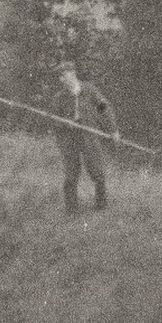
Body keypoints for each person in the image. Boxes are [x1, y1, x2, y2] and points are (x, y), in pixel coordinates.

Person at [51, 61, 120, 214]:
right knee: (71, 173)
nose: (61, 80)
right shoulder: (60, 97)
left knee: (97, 170)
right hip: (69, 138)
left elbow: (104, 108)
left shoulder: (90, 91)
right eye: (60, 77)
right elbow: (55, 120)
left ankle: (101, 206)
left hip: (89, 135)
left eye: (63, 76)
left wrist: (113, 129)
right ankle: (71, 210)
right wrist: (65, 124)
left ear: (72, 73)